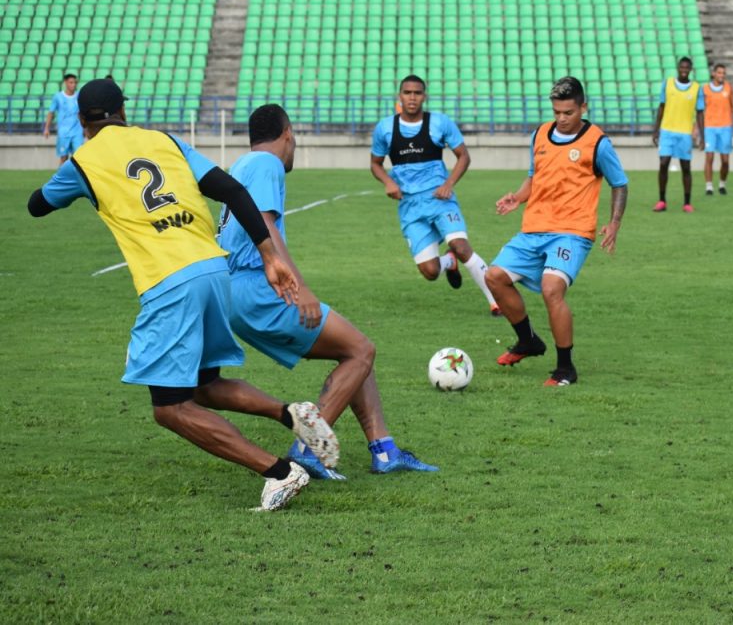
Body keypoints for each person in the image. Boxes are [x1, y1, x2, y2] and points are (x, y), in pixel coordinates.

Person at [25, 79, 340, 512]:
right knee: (205, 386)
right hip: (214, 271)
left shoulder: (83, 161)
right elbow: (232, 190)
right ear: (124, 111)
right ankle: (290, 413)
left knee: (170, 408)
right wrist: (270, 256)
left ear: (82, 120)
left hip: (170, 281)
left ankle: (279, 472)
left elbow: (37, 205)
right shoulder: (163, 140)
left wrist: (60, 190)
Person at [219, 104, 438, 477]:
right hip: (258, 285)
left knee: (355, 349)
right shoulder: (265, 164)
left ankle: (384, 450)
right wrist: (298, 285)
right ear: (288, 133)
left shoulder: (241, 164)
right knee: (362, 350)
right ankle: (307, 450)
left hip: (234, 289)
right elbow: (265, 223)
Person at [485, 77, 628, 387]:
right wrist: (517, 197)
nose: (562, 119)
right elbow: (534, 176)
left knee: (552, 289)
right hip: (534, 227)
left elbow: (620, 183)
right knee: (494, 276)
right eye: (557, 112)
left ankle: (565, 369)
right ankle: (528, 342)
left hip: (572, 231)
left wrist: (614, 222)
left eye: (568, 113)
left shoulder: (597, 142)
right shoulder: (540, 134)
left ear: (583, 108)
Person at [370, 75, 499, 316]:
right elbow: (375, 163)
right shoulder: (385, 128)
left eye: (417, 93)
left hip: (440, 200)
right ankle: (449, 262)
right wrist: (388, 182)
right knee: (429, 271)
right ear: (400, 96)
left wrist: (449, 183)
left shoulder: (440, 123)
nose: (412, 97)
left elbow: (464, 156)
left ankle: (496, 301)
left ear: (424, 96)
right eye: (407, 93)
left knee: (461, 245)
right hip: (410, 206)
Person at [652, 56, 704, 213]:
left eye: (687, 68)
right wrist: (656, 130)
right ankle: (662, 200)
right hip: (667, 131)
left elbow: (700, 113)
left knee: (686, 168)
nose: (684, 70)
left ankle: (687, 203)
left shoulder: (696, 88)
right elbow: (661, 107)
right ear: (678, 68)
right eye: (682, 67)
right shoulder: (667, 84)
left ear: (690, 70)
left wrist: (703, 135)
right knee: (663, 164)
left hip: (685, 133)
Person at [702, 64, 733, 196]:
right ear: (713, 73)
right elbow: (701, 110)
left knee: (725, 160)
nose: (721, 75)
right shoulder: (705, 89)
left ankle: (722, 183)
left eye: (723, 73)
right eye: (719, 73)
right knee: (709, 157)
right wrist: (696, 128)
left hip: (725, 127)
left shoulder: (729, 88)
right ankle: (709, 186)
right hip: (709, 127)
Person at [43, 73, 85, 166]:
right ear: (65, 83)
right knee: (64, 158)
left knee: (78, 158)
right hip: (63, 132)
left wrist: (85, 128)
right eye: (71, 82)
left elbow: (83, 113)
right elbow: (51, 113)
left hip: (77, 132)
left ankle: (76, 179)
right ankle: (62, 179)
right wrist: (46, 128)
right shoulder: (58, 97)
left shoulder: (79, 96)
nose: (73, 85)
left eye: (75, 82)